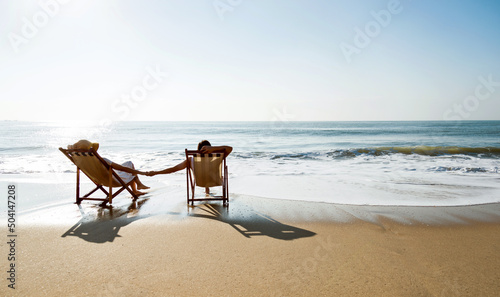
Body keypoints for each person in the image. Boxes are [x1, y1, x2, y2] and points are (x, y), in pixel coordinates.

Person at [144, 140, 232, 194]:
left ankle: (206, 190)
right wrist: (213, 149)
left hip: (200, 182)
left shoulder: (191, 160)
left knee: (203, 171)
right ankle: (207, 190)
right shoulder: (218, 158)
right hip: (216, 181)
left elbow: (173, 169)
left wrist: (156, 172)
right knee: (209, 171)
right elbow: (230, 148)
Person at [68, 140, 149, 196]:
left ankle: (138, 186)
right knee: (129, 166)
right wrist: (140, 173)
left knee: (128, 163)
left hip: (99, 179)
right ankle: (136, 188)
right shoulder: (102, 160)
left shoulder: (81, 161)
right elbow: (121, 168)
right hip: (113, 180)